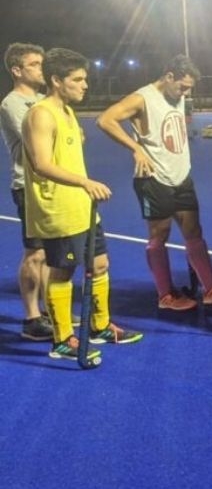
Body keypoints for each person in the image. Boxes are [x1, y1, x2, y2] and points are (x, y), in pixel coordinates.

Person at [22, 48, 144, 359]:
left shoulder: (67, 111)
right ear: (56, 80)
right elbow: (41, 164)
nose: (84, 85)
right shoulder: (41, 114)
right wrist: (84, 182)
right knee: (62, 273)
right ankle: (62, 340)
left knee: (100, 264)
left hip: (81, 207)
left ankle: (99, 327)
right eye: (77, 79)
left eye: (84, 79)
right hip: (58, 209)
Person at [96, 55, 212, 310]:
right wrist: (135, 148)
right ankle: (165, 295)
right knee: (159, 235)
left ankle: (211, 289)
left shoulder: (177, 96)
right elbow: (105, 120)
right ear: (169, 76)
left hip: (181, 177)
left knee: (194, 232)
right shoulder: (142, 98)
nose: (185, 93)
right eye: (183, 87)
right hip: (154, 179)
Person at [1, 43, 53, 341]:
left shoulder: (44, 100)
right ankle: (31, 318)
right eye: (35, 64)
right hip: (28, 186)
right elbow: (38, 140)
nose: (41, 69)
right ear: (17, 70)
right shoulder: (13, 103)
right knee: (35, 253)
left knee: (49, 254)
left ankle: (49, 311)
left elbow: (74, 134)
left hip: (51, 185)